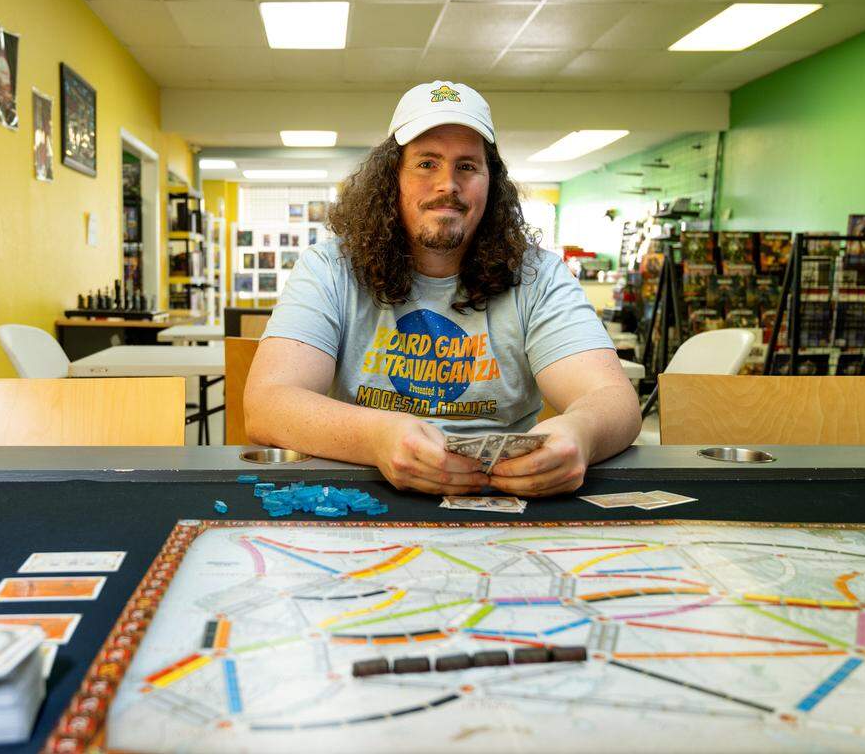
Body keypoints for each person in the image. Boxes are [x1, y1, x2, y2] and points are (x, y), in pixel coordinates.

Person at [244, 80, 641, 497]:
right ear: (392, 178)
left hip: (508, 496)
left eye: (467, 166)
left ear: (491, 183)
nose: (448, 184)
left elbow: (613, 398)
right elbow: (267, 404)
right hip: (365, 491)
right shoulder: (329, 268)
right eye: (426, 163)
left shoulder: (538, 275)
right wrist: (376, 437)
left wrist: (581, 434)